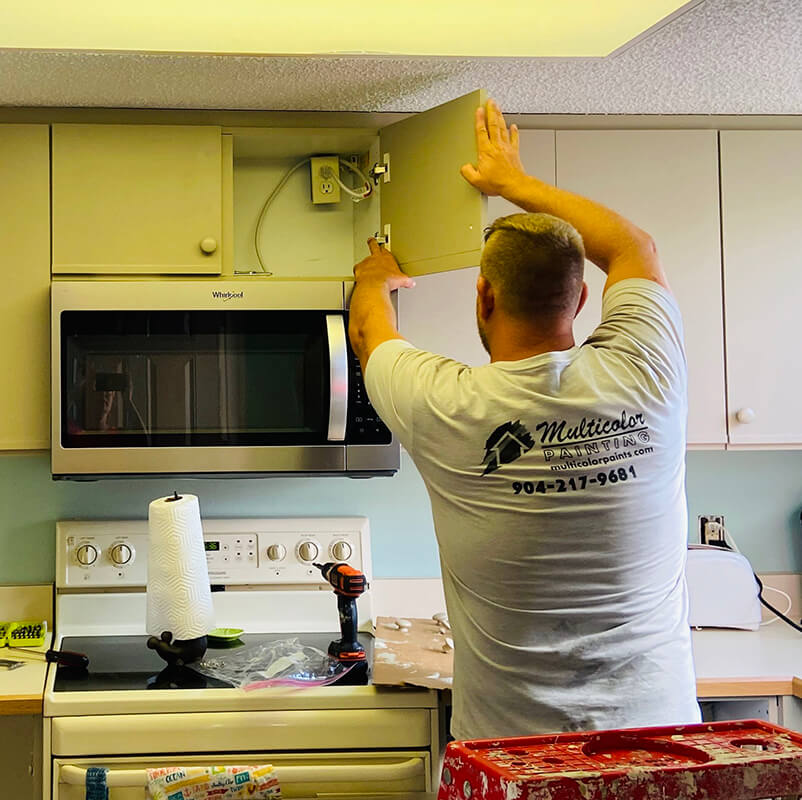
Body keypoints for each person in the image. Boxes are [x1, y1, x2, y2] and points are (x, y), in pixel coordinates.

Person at [348, 98, 700, 740]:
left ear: (484, 296)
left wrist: (375, 275)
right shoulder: (650, 374)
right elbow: (633, 246)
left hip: (514, 759)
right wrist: (515, 183)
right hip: (657, 744)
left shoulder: (446, 405)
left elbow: (371, 333)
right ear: (584, 297)